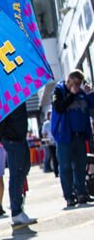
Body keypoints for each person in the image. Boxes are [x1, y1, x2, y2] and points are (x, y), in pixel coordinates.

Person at [51, 69, 94, 207]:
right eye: (74, 83)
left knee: (81, 166)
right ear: (68, 81)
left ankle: (82, 193)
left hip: (79, 136)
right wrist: (71, 95)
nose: (77, 86)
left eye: (79, 84)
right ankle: (69, 196)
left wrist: (89, 93)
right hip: (65, 137)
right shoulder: (59, 91)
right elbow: (59, 107)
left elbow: (90, 106)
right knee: (65, 167)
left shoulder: (81, 94)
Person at [0, 102, 37, 227]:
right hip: (12, 139)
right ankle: (16, 211)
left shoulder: (19, 95)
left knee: (24, 168)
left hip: (20, 138)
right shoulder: (4, 96)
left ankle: (17, 205)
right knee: (16, 174)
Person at [41, 111, 59, 177]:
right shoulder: (46, 124)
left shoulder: (56, 120)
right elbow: (44, 133)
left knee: (58, 156)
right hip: (50, 142)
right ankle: (55, 171)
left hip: (57, 141)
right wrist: (46, 141)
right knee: (53, 157)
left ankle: (58, 170)